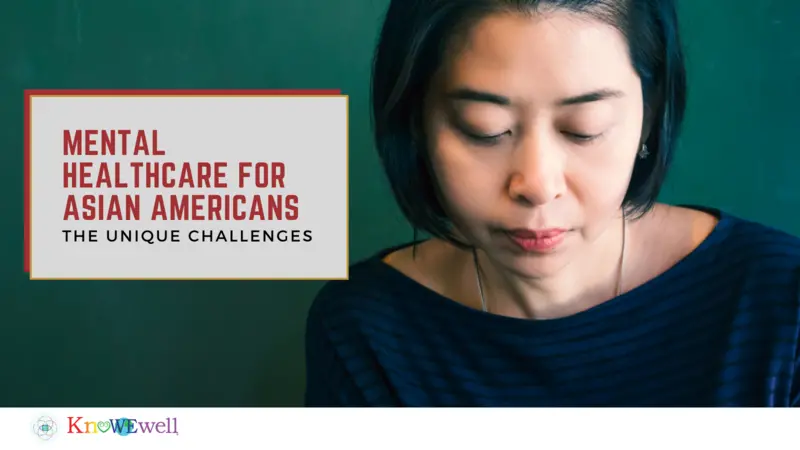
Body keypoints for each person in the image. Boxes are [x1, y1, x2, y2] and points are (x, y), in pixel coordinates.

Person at [304, 0, 800, 406]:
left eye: (585, 130)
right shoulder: (365, 330)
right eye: (485, 129)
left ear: (648, 119)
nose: (538, 185)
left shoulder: (780, 302)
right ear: (418, 126)